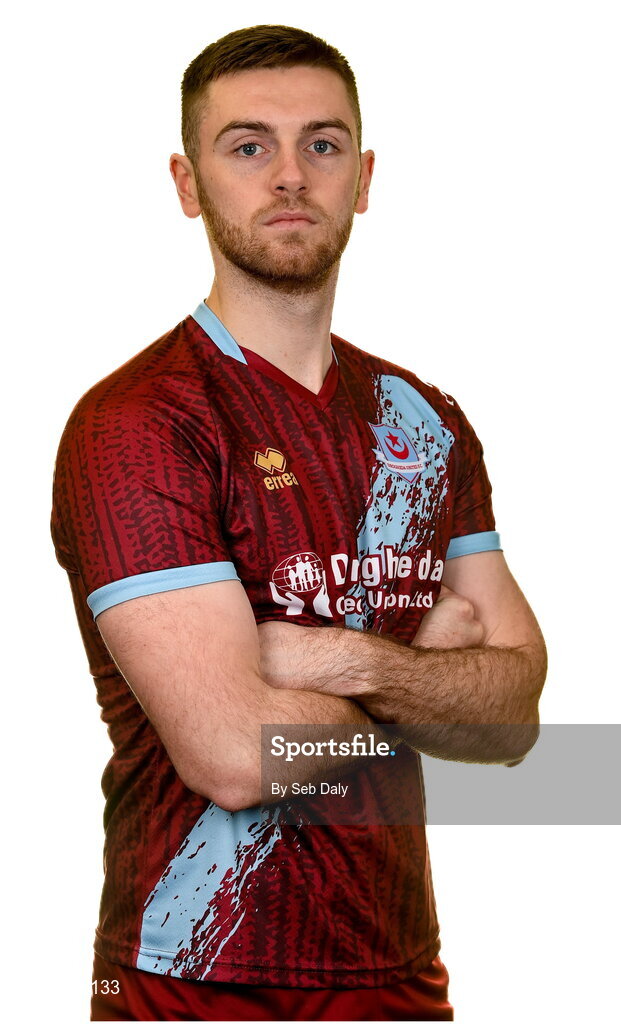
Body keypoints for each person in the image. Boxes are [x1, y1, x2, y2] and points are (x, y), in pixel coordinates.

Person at [51, 24, 547, 1023]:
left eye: (321, 145)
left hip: (398, 974)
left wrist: (337, 662)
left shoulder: (425, 420)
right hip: (192, 982)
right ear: (189, 183)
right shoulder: (142, 422)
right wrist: (427, 692)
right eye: (248, 146)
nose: (289, 175)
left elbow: (517, 721)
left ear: (362, 177)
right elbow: (235, 754)